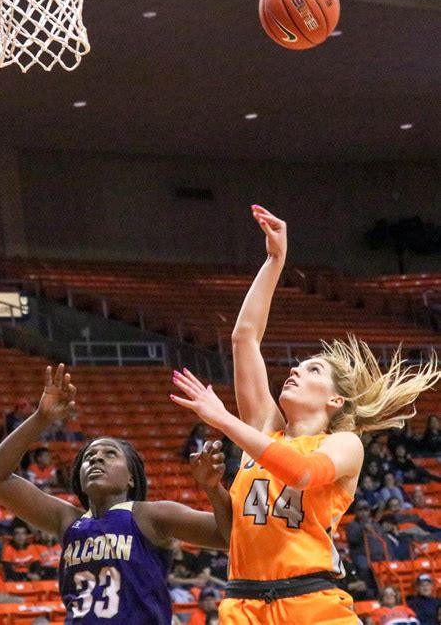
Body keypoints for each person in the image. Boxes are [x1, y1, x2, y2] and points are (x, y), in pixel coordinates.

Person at [170, 205, 440, 625]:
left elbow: (299, 473)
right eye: (298, 365)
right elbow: (244, 338)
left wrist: (224, 420)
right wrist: (275, 260)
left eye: (313, 369)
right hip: (242, 602)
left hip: (311, 603)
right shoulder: (264, 428)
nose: (295, 369)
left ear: (335, 402)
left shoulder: (344, 444)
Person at [0, 364, 230, 625]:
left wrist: (213, 488)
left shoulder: (148, 515)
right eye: (89, 458)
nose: (97, 458)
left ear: (131, 477)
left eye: (110, 454)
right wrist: (41, 418)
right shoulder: (67, 519)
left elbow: (228, 536)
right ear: (79, 477)